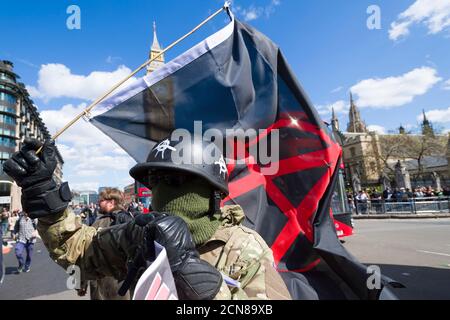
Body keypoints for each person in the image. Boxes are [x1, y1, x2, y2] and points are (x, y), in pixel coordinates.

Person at [3, 138, 291, 300]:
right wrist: (47, 199)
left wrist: (197, 281)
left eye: (177, 181)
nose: (163, 192)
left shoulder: (244, 249)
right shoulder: (138, 235)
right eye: (156, 181)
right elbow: (78, 250)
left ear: (212, 194)